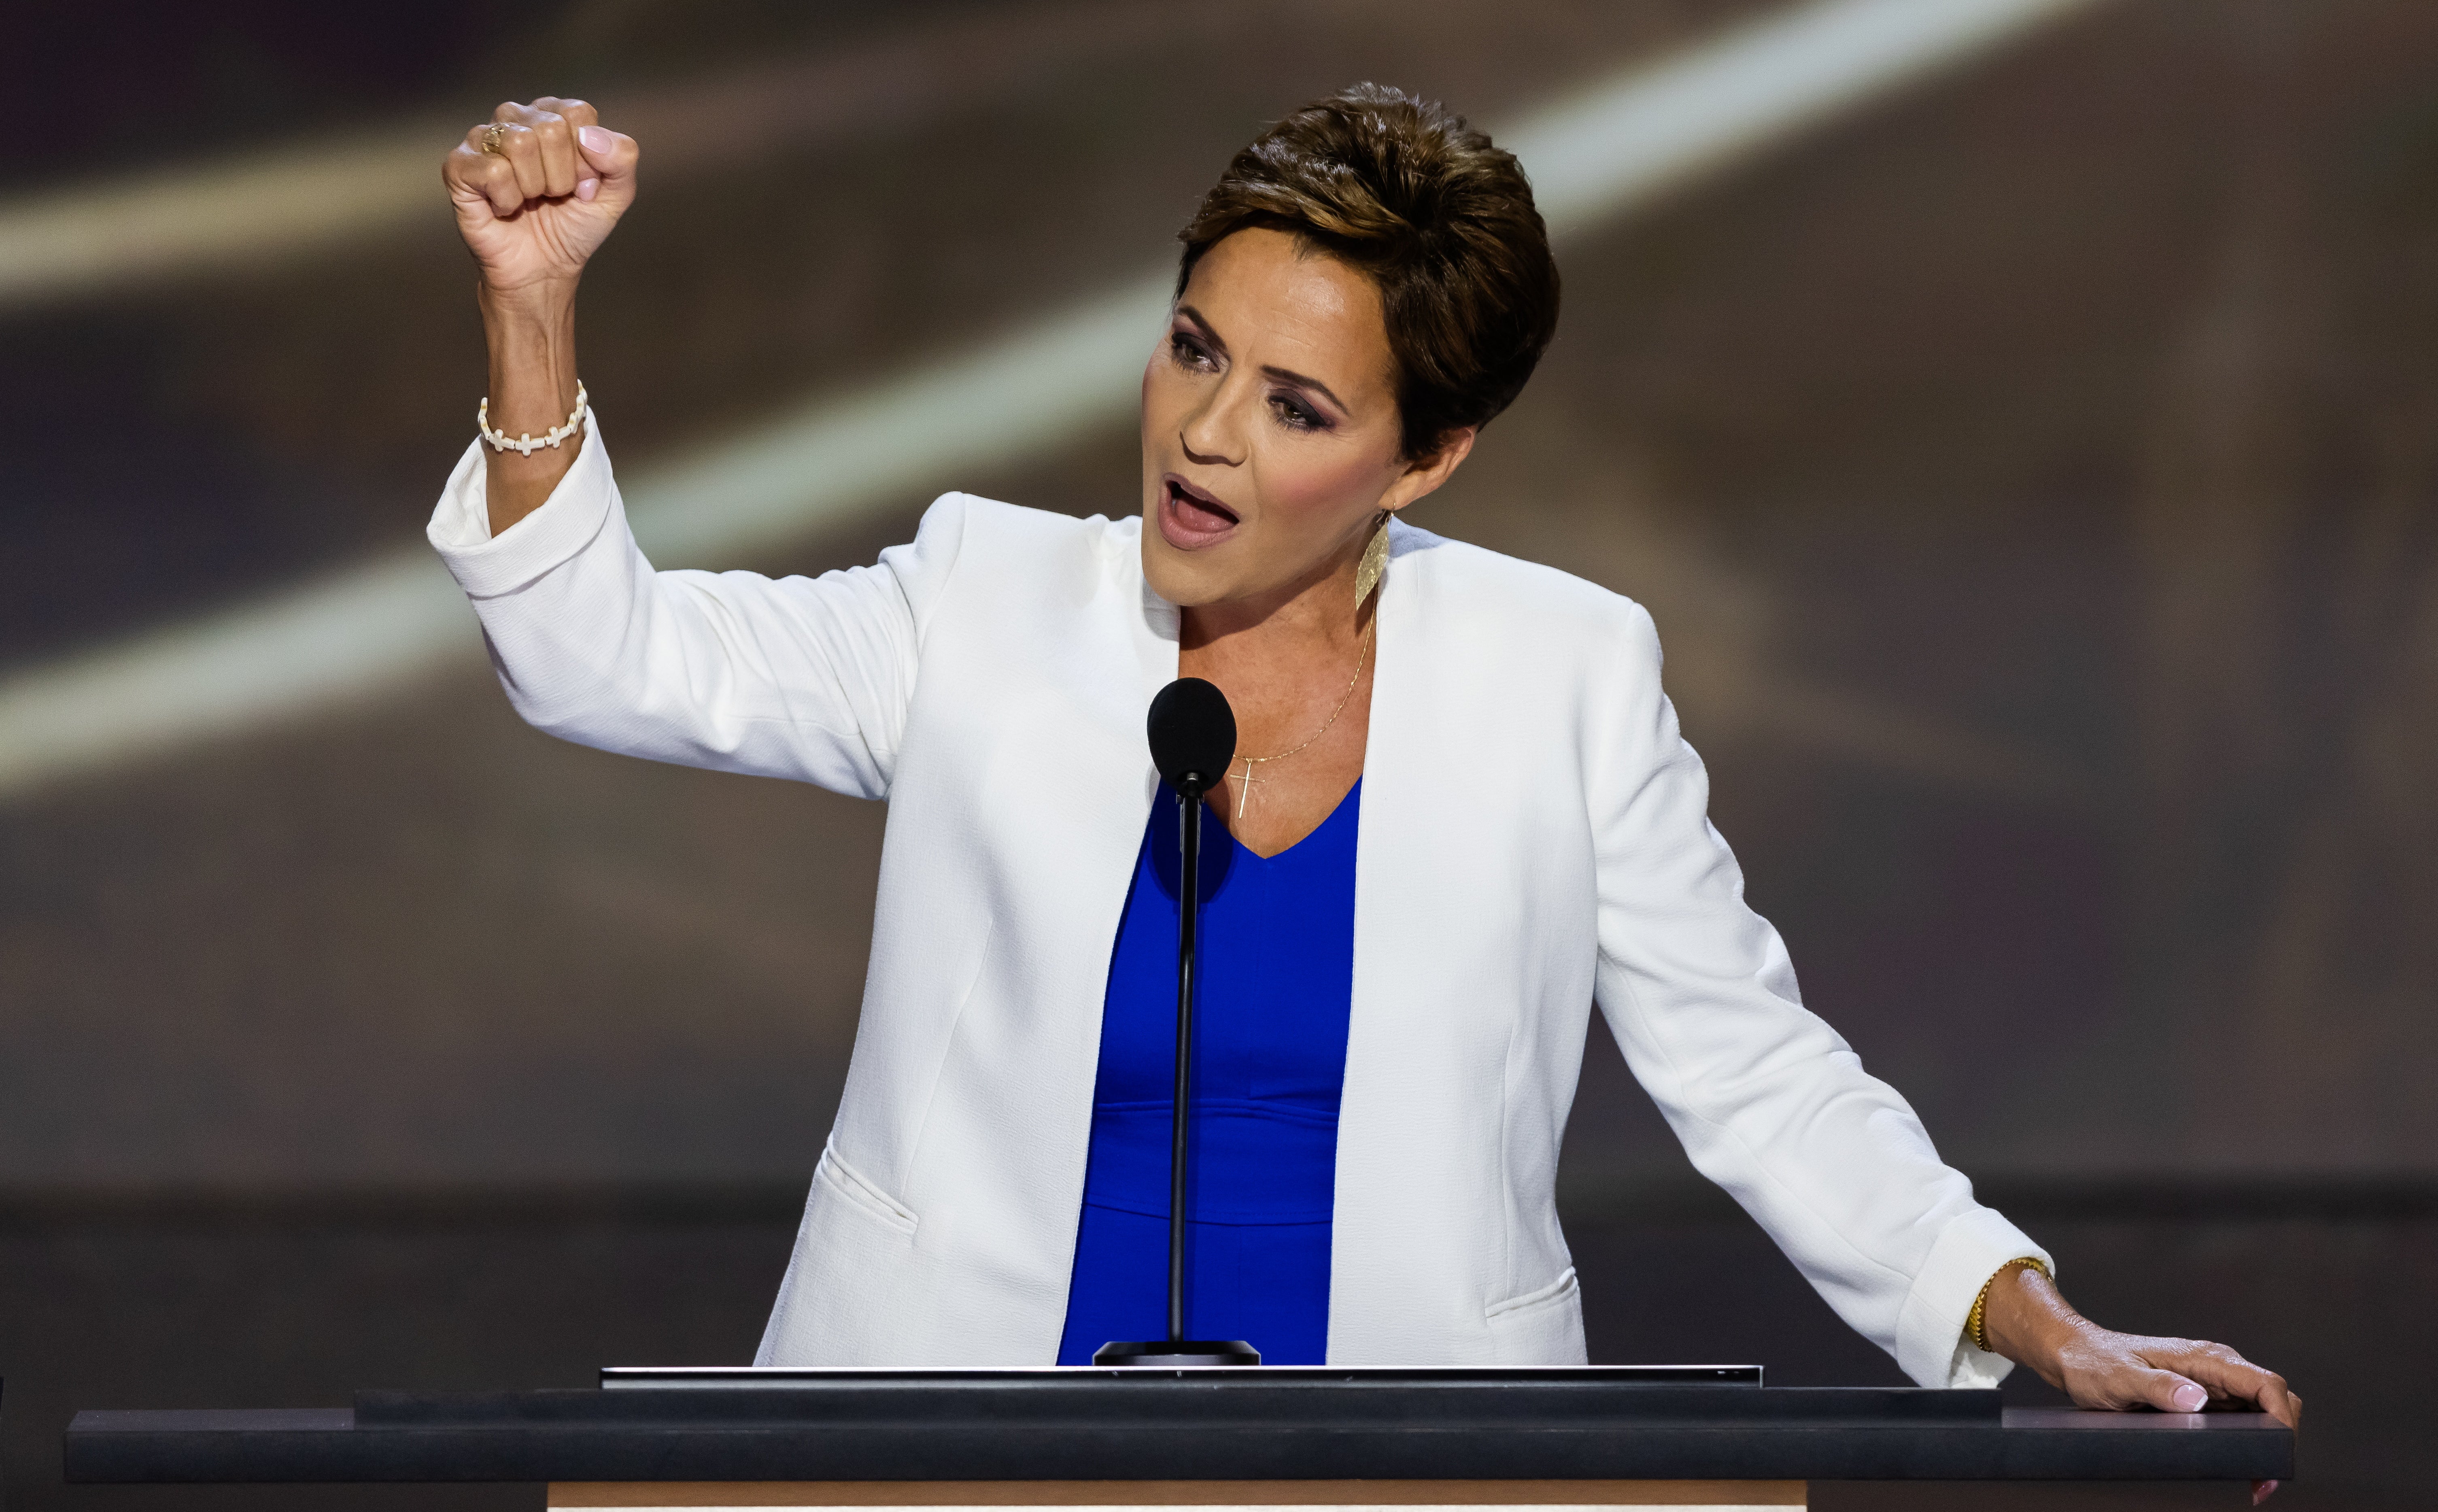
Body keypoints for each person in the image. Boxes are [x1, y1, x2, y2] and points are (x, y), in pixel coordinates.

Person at [431, 85, 2298, 1431]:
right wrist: (531, 306)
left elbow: (1759, 1073)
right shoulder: (983, 603)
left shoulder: (1565, 673)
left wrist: (2029, 1318)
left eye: (1298, 405)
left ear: (1425, 460)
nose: (1205, 436)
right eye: (1192, 348)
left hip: (1406, 1458)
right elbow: (596, 656)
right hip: (954, 1441)